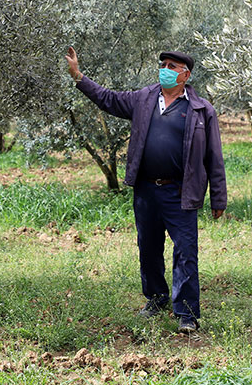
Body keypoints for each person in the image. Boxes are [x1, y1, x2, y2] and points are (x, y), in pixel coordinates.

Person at [65, 46, 226, 333]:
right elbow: (109, 100)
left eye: (171, 66)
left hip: (181, 191)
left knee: (186, 251)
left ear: (185, 74)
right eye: (163, 64)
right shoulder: (144, 98)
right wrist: (78, 76)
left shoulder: (201, 109)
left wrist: (219, 197)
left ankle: (186, 313)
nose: (164, 69)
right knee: (148, 248)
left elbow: (214, 156)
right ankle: (156, 298)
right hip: (147, 191)